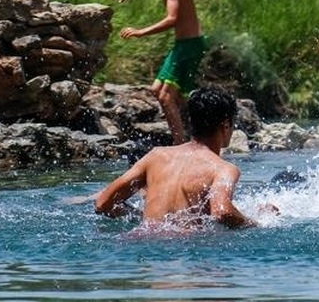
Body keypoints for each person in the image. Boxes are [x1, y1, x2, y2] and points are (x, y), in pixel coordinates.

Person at [93, 87, 262, 230]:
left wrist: (145, 221)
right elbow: (222, 211)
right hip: (184, 248)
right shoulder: (222, 169)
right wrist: (256, 222)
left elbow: (103, 202)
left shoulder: (155, 155)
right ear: (226, 124)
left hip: (142, 243)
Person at [111, 0, 206, 144]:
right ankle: (194, 132)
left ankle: (180, 144)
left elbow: (172, 19)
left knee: (166, 97)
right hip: (184, 45)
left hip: (189, 46)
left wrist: (140, 32)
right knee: (158, 90)